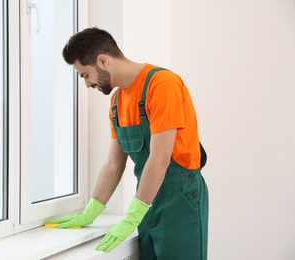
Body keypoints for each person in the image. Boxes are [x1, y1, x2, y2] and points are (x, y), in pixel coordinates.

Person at [48, 27, 209, 260]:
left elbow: (160, 158)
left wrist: (133, 216)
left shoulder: (162, 85)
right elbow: (114, 163)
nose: (87, 84)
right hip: (147, 199)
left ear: (102, 61)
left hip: (180, 199)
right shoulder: (116, 102)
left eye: (85, 75)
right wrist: (91, 211)